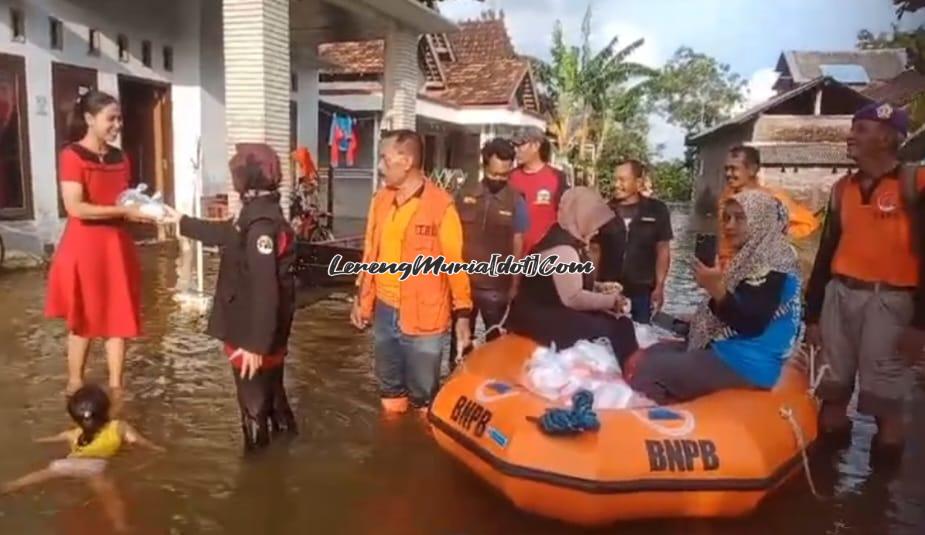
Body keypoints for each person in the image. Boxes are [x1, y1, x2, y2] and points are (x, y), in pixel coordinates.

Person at [805, 101, 925, 458]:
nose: (850, 136)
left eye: (861, 129)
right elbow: (826, 253)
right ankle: (829, 494)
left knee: (887, 407)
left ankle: (879, 495)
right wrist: (811, 315)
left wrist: (920, 325)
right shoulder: (842, 188)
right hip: (839, 296)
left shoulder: (916, 183)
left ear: (887, 138)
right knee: (831, 392)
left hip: (890, 302)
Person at [163, 143, 298, 452]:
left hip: (251, 334)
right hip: (267, 332)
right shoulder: (259, 215)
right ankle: (287, 454)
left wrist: (254, 345)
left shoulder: (259, 227)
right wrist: (180, 221)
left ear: (245, 180)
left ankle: (257, 477)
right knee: (274, 397)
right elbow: (224, 233)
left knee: (253, 406)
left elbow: (266, 288)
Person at [628, 190, 802, 404]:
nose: (729, 226)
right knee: (651, 354)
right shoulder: (754, 256)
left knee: (652, 369)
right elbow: (741, 306)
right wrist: (704, 311)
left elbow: (752, 323)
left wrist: (716, 289)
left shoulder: (774, 261)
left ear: (761, 221)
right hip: (733, 351)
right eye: (727, 218)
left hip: (746, 363)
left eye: (739, 218)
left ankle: (647, 425)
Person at [44, 90, 161, 396]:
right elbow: (75, 207)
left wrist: (144, 213)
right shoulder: (71, 155)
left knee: (118, 316)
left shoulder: (121, 158)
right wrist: (124, 210)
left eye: (119, 118)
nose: (117, 124)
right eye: (111, 118)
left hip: (117, 245)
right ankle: (74, 382)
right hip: (84, 247)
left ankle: (117, 388)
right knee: (83, 317)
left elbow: (123, 200)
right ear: (89, 119)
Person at [350, 130, 472, 414]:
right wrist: (361, 299)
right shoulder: (381, 200)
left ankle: (421, 448)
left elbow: (455, 264)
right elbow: (370, 252)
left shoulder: (441, 206)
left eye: (384, 158)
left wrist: (463, 315)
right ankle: (392, 449)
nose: (380, 166)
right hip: (385, 309)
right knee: (389, 390)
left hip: (424, 318)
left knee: (422, 399)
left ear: (406, 161)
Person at [506, 187, 639, 367]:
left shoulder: (564, 237)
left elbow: (562, 282)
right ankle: (635, 374)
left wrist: (599, 287)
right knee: (619, 326)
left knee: (615, 322)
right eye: (594, 221)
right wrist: (612, 302)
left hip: (541, 312)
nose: (597, 230)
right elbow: (572, 297)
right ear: (581, 216)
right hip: (539, 318)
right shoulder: (563, 249)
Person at [2, 385, 163, 531]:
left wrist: (36, 440)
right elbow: (139, 442)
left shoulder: (75, 433)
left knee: (38, 476)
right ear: (107, 409)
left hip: (66, 463)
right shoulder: (120, 427)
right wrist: (157, 448)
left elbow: (52, 439)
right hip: (94, 469)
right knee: (110, 498)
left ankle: (10, 486)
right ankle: (120, 524)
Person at [450, 138, 529, 369]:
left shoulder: (517, 201)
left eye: (505, 175)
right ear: (484, 167)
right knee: (459, 342)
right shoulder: (465, 194)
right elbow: (451, 236)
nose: (499, 180)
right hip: (464, 284)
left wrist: (515, 283)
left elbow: (518, 242)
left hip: (497, 288)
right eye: (494, 174)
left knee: (498, 345)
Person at [718, 146, 819, 272]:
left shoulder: (773, 199)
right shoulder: (726, 198)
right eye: (726, 169)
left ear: (752, 170)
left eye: (734, 169)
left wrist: (778, 236)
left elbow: (808, 223)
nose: (728, 174)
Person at [608, 159, 673, 323]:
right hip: (608, 291)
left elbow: (663, 249)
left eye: (622, 180)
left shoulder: (657, 210)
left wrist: (660, 286)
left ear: (638, 183)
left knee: (642, 337)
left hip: (643, 292)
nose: (616, 184)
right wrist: (591, 286)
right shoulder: (604, 210)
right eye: (614, 179)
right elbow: (595, 250)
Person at [510, 126, 570, 255]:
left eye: (520, 145)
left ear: (536, 145)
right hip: (515, 256)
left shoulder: (557, 177)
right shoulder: (511, 177)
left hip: (546, 256)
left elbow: (567, 217)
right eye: (514, 145)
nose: (516, 150)